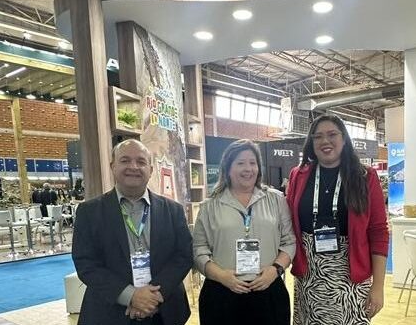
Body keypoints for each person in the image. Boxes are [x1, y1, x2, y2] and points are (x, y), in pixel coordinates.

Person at [72, 139, 193, 325]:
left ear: (150, 170)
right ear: (112, 166)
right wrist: (131, 296)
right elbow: (86, 263)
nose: (133, 167)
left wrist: (152, 297)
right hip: (109, 313)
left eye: (141, 161)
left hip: (165, 311)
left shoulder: (173, 210)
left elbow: (184, 255)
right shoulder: (89, 212)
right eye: (125, 160)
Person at [286, 114, 390, 325]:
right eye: (318, 137)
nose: (325, 141)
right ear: (311, 143)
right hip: (309, 279)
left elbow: (378, 231)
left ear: (344, 139)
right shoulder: (298, 175)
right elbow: (287, 222)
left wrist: (378, 286)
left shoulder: (365, 176)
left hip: (350, 278)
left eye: (332, 134)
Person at [193, 139, 295, 325]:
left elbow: (289, 242)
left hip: (268, 290)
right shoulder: (210, 206)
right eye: (240, 163)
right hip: (222, 293)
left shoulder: (276, 200)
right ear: (227, 168)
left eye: (252, 163)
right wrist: (221, 276)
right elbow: (199, 249)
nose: (248, 169)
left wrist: (275, 270)